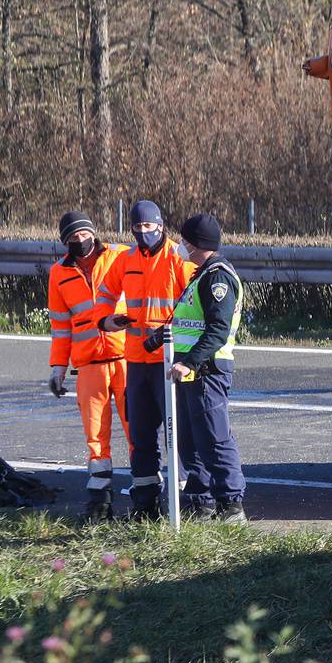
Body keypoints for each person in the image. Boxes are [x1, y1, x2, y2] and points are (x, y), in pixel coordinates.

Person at [93, 201, 193, 519]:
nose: (141, 233)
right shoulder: (127, 259)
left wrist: (172, 331)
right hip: (136, 361)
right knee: (140, 435)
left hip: (169, 361)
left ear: (160, 226)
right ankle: (145, 503)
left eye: (147, 227)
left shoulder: (178, 258)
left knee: (178, 433)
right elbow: (105, 292)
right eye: (136, 228)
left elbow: (193, 300)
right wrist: (107, 320)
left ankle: (183, 501)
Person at [160, 212, 247, 522]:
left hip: (206, 369)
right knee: (190, 441)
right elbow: (186, 321)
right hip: (189, 369)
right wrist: (155, 339)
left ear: (198, 244)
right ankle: (201, 503)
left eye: (185, 241)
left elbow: (217, 329)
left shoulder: (218, 277)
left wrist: (190, 362)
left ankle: (231, 506)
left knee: (214, 438)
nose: (181, 246)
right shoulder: (201, 273)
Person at [45, 212, 130, 518]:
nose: (79, 240)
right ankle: (99, 505)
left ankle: (147, 501)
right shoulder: (59, 273)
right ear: (64, 241)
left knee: (138, 432)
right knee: (95, 437)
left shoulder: (120, 256)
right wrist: (58, 368)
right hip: (89, 364)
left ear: (93, 233)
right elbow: (60, 326)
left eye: (83, 234)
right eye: (72, 237)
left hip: (126, 358)